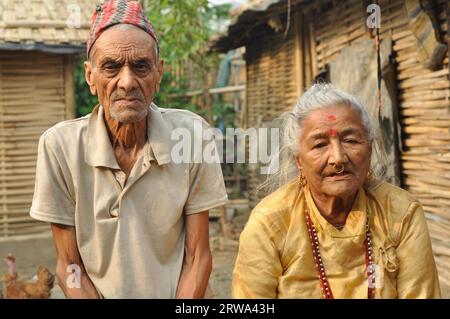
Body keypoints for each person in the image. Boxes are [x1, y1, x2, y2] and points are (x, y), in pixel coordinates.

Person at [29, 0, 227, 299]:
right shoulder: (60, 147)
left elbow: (198, 257)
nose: (127, 82)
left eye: (141, 66)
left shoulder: (193, 135)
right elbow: (69, 265)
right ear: (90, 77)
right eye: (111, 67)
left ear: (158, 73)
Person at [232, 83, 441, 299]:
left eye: (350, 140)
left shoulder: (401, 213)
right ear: (299, 160)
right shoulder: (269, 223)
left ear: (369, 150)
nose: (338, 158)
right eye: (320, 145)